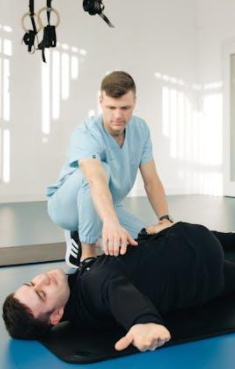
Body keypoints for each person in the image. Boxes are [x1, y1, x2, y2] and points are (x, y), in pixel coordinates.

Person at [2, 222, 235, 352]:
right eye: (42, 293)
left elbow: (114, 284)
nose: (42, 279)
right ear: (56, 315)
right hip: (196, 246)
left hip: (203, 287)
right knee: (164, 227)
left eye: (32, 282)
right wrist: (141, 320)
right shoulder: (93, 283)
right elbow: (114, 288)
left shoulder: (81, 303)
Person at [46, 71, 175, 269]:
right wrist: (111, 222)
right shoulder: (87, 133)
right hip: (66, 207)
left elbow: (151, 180)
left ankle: (98, 225)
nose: (118, 115)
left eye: (125, 108)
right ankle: (86, 253)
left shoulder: (140, 129)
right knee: (100, 171)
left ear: (135, 102)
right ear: (100, 101)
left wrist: (164, 219)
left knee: (148, 241)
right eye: (111, 107)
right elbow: (94, 179)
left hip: (108, 205)